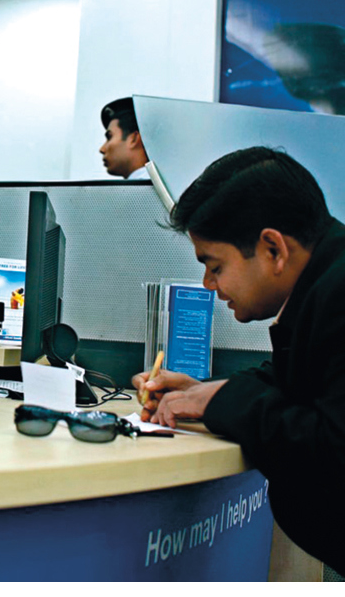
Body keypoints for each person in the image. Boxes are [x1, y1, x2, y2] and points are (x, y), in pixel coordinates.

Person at [132, 146, 345, 573]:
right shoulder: (325, 287)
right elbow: (298, 380)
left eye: (215, 266)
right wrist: (207, 392)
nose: (208, 285)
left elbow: (332, 448)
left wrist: (222, 403)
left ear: (273, 249)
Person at [99, 97, 149, 179]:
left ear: (133, 138)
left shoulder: (142, 186)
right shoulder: (164, 184)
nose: (102, 149)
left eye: (109, 137)